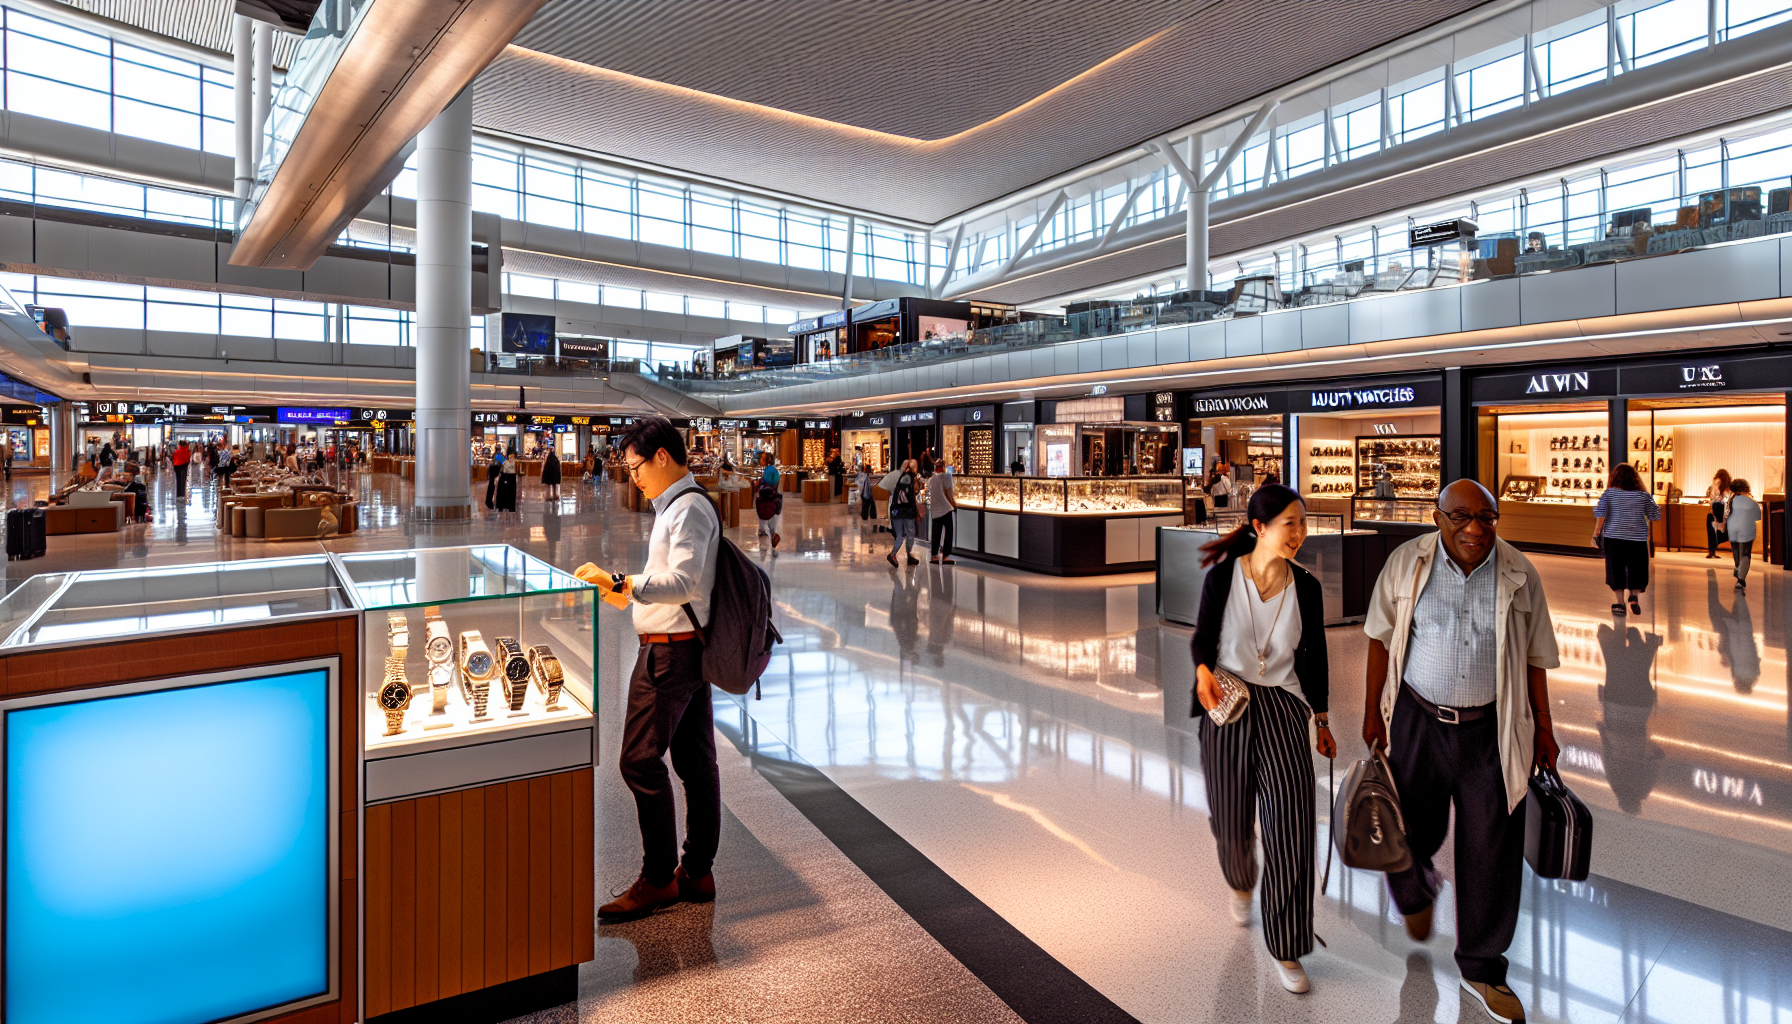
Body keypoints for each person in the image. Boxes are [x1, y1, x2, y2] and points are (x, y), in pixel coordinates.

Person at [1362, 479, 1560, 1024]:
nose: (1475, 528)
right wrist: (1371, 710)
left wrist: (1543, 727)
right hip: (1418, 717)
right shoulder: (1407, 564)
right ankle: (1416, 890)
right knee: (1409, 829)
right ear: (1437, 517)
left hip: (1490, 730)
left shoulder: (1519, 574)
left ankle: (1482, 966)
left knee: (1491, 845)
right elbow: (1379, 637)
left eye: (1488, 518)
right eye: (1461, 516)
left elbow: (1536, 657)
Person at [573, 417, 721, 921]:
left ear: (662, 456)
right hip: (679, 647)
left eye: (637, 465)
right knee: (696, 763)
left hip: (670, 654)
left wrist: (623, 579)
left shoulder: (690, 509)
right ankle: (697, 872)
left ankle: (660, 878)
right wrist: (620, 593)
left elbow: (680, 583)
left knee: (638, 761)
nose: (633, 476)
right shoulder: (674, 508)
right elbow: (671, 584)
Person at [1190, 483, 1333, 995]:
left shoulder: (1307, 587)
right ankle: (1239, 875)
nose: (1299, 532)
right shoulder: (1224, 578)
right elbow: (1203, 640)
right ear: (1259, 528)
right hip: (1227, 703)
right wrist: (1202, 671)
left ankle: (1287, 944)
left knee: (1292, 825)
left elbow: (1313, 656)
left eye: (1303, 521)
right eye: (1289, 523)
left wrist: (1321, 718)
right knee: (1230, 820)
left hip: (1284, 708)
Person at [1594, 463, 1661, 616]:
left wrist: (1596, 534)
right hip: (1637, 538)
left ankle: (1619, 603)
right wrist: (1646, 494)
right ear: (1634, 478)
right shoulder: (1642, 495)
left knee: (1615, 568)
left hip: (1614, 536)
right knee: (1637, 567)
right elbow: (1655, 515)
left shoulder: (1609, 494)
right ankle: (1634, 598)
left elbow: (1600, 514)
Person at [882, 459, 921, 567]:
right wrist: (916, 514)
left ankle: (896, 555)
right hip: (907, 512)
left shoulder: (901, 476)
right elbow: (912, 496)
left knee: (899, 535)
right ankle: (902, 555)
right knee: (910, 534)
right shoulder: (910, 477)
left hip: (896, 510)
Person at [1726, 478, 1761, 589]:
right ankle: (1741, 578)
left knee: (1736, 553)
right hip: (1747, 530)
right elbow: (1758, 517)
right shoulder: (1752, 502)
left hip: (1732, 530)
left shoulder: (1730, 501)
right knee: (1745, 554)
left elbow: (1725, 515)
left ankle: (1738, 568)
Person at [926, 457, 956, 565]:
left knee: (936, 533)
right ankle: (944, 556)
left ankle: (934, 555)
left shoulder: (931, 479)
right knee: (949, 533)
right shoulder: (947, 477)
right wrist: (953, 505)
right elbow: (949, 494)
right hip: (946, 508)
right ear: (943, 467)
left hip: (935, 510)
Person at [1705, 470, 1732, 559]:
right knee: (1718, 533)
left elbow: (1712, 498)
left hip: (1714, 512)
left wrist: (1712, 508)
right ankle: (1713, 551)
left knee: (1711, 532)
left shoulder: (1715, 484)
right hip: (1722, 512)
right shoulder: (1727, 489)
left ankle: (1711, 552)